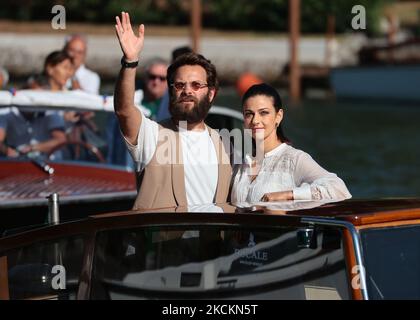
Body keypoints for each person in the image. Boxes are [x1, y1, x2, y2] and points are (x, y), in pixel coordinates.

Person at [113, 11, 231, 209]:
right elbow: (124, 110)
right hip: (162, 240)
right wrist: (130, 61)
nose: (187, 90)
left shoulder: (226, 145)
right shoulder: (151, 136)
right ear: (171, 92)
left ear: (211, 94)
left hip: (213, 241)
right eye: (179, 85)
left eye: (196, 85)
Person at [230, 83, 351, 204]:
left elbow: (339, 190)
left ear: (278, 116)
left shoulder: (294, 159)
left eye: (263, 113)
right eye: (249, 114)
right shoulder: (241, 165)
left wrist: (288, 195)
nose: (255, 120)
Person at [156, 46, 193, 122]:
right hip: (164, 127)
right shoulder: (172, 80)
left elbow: (184, 114)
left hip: (174, 128)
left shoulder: (186, 87)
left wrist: (182, 131)